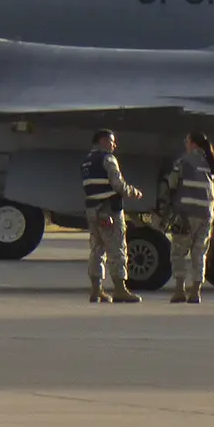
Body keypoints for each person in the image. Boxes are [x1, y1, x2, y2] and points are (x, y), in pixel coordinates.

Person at [81, 129, 142, 303]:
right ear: (102, 141)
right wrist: (133, 192)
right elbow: (118, 184)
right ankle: (120, 289)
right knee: (117, 248)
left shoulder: (86, 161)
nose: (114, 145)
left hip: (93, 211)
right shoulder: (108, 159)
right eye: (111, 141)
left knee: (97, 250)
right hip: (109, 210)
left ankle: (96, 290)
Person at [165, 133, 214, 304]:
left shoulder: (183, 161)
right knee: (199, 253)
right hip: (206, 215)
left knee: (178, 252)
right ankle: (196, 292)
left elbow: (172, 183)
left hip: (186, 214)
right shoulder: (211, 163)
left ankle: (179, 290)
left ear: (193, 144)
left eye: (187, 141)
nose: (185, 144)